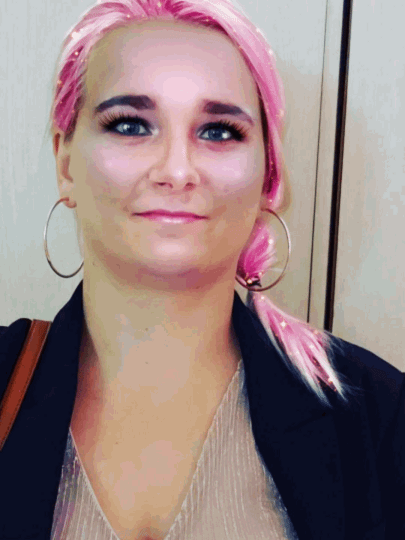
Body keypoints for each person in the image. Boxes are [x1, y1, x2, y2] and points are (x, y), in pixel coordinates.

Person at [0, 0, 403, 538]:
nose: (176, 170)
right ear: (65, 162)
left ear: (269, 175)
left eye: (218, 131)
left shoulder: (381, 419)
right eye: (130, 124)